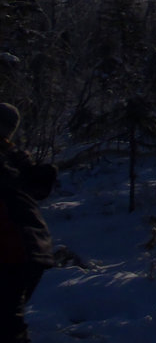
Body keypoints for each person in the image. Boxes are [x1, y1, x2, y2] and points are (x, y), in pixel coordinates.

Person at [0, 103, 56, 343]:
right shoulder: (14, 159)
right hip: (32, 249)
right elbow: (41, 184)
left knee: (6, 325)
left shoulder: (8, 162)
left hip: (15, 248)